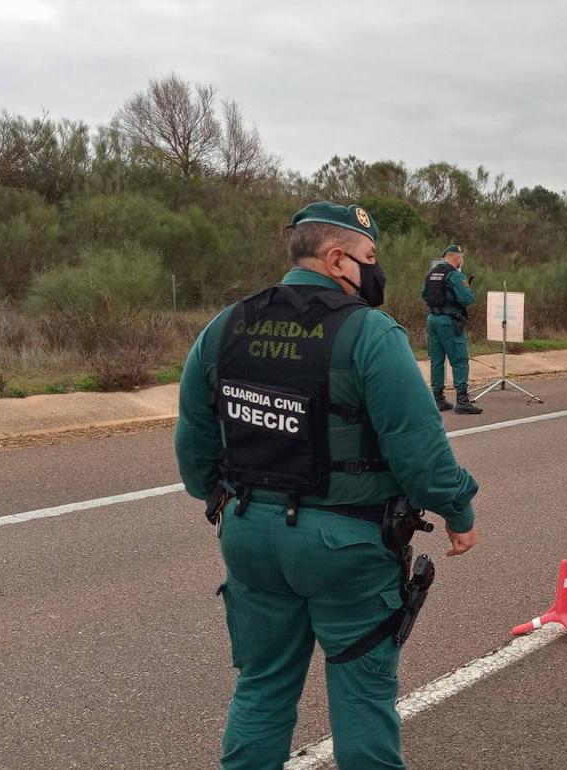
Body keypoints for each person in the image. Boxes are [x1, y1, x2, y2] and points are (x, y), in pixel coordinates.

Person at [174, 201, 480, 769]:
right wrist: (458, 511)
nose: (375, 270)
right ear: (337, 259)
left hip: (247, 536)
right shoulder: (369, 332)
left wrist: (220, 497)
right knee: (363, 697)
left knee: (262, 687)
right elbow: (421, 454)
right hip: (348, 546)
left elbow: (194, 444)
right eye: (369, 257)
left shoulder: (226, 326)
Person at [421, 244, 481, 414]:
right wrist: (467, 288)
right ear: (457, 257)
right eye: (462, 256)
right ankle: (462, 401)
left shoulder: (432, 273)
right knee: (460, 360)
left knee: (437, 360)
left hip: (432, 319)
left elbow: (424, 294)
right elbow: (467, 299)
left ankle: (438, 399)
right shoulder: (455, 275)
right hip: (450, 321)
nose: (462, 259)